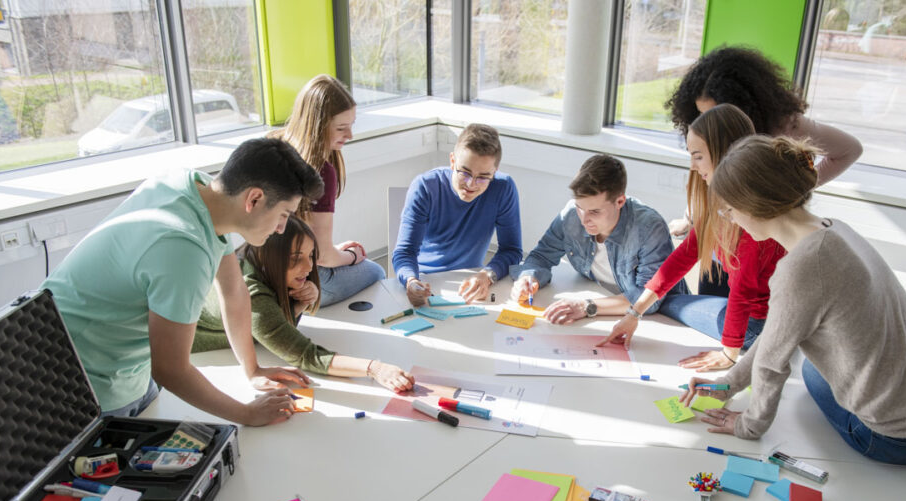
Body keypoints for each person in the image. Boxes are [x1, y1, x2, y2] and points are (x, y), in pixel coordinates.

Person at [680, 134, 906, 490]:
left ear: (753, 205)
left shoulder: (799, 269)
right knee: (828, 357)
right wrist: (727, 385)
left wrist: (748, 425)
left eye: (728, 209)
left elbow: (772, 363)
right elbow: (778, 334)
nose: (728, 218)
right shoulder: (837, 228)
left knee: (812, 372)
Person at [42, 137, 324, 426]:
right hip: (85, 382)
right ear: (253, 199)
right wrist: (248, 413)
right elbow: (171, 370)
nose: (280, 229)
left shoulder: (198, 187)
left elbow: (233, 290)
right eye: (283, 215)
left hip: (122, 366)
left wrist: (252, 369)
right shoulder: (183, 248)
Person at [598, 105, 786, 373]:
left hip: (759, 328)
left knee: (668, 302)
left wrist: (729, 356)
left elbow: (743, 292)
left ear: (724, 154)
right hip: (751, 319)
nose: (693, 167)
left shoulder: (753, 214)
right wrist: (634, 312)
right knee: (662, 300)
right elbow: (685, 255)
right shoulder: (721, 203)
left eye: (698, 157)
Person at [665, 45, 862, 296]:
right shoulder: (704, 136)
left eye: (716, 113)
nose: (708, 123)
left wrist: (791, 190)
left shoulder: (786, 127)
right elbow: (706, 178)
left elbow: (849, 150)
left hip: (762, 249)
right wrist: (691, 217)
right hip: (722, 245)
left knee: (749, 315)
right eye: (701, 114)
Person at [192, 217, 414, 393]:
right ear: (271, 256)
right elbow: (306, 354)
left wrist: (299, 304)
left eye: (310, 256)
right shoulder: (253, 296)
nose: (309, 267)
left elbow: (278, 324)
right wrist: (375, 369)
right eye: (296, 258)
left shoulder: (258, 263)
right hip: (195, 352)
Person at [509, 154, 683, 324]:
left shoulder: (649, 228)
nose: (584, 220)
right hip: (603, 307)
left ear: (620, 201)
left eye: (594, 212)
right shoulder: (571, 215)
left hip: (662, 319)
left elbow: (649, 298)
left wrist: (587, 306)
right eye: (579, 207)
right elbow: (541, 257)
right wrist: (528, 278)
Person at [269, 74, 385, 306]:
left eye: (351, 126)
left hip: (266, 272)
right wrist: (352, 257)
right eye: (341, 128)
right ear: (318, 126)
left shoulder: (272, 144)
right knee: (376, 272)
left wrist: (334, 251)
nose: (350, 135)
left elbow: (317, 249)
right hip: (297, 280)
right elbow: (322, 256)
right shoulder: (321, 172)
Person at [392, 123, 522, 306]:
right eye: (465, 173)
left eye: (483, 177)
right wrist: (411, 281)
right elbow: (405, 252)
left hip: (470, 281)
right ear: (452, 161)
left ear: (495, 172)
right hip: (425, 279)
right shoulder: (425, 187)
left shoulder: (504, 188)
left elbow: (512, 250)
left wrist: (487, 275)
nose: (471, 184)